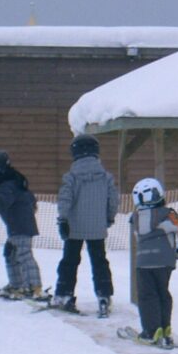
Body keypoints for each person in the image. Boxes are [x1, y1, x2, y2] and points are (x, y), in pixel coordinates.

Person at [51, 134, 119, 317]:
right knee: (100, 262)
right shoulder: (105, 177)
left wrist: (63, 219)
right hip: (97, 227)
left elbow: (65, 199)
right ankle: (104, 296)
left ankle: (64, 294)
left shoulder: (71, 176)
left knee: (69, 261)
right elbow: (113, 199)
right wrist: (109, 217)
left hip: (74, 228)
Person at [0, 150, 43, 299]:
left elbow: (1, 202)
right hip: (16, 226)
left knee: (24, 255)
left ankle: (34, 287)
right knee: (10, 253)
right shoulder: (14, 181)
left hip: (21, 226)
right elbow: (30, 198)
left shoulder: (7, 186)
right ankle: (16, 285)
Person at [130, 177, 178, 348]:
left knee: (147, 295)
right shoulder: (168, 215)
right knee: (163, 293)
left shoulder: (135, 218)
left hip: (144, 262)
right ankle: (164, 328)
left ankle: (151, 331)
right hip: (164, 262)